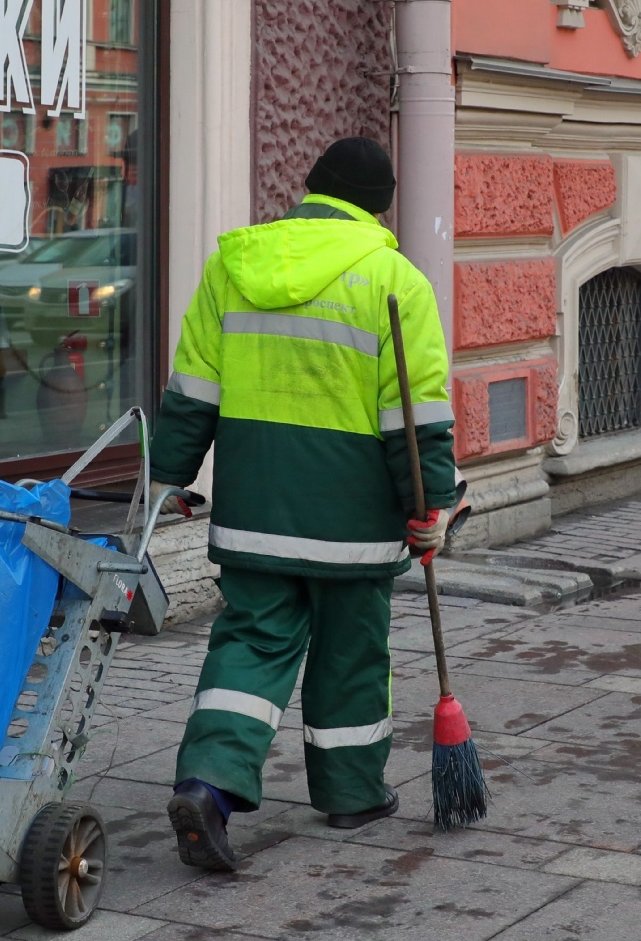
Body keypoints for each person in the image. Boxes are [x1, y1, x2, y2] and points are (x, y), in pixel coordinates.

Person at [149, 137, 458, 871]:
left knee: (251, 647)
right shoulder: (395, 282)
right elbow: (412, 420)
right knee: (351, 656)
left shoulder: (235, 264)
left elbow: (192, 389)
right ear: (380, 205)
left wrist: (169, 477)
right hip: (352, 526)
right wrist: (428, 505)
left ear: (311, 187)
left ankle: (209, 785)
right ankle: (352, 792)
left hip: (254, 512)